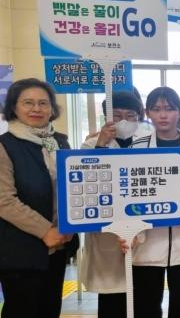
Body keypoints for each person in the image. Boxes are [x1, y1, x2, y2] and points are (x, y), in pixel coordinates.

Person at [127, 87, 180, 318]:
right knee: (146, 305)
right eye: (156, 109)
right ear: (147, 113)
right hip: (147, 243)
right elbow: (128, 193)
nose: (163, 115)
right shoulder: (137, 147)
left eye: (170, 109)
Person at [0, 78, 78, 318]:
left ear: (52, 109)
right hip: (21, 250)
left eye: (43, 103)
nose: (36, 109)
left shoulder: (60, 142)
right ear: (14, 108)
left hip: (59, 244)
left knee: (50, 308)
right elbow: (4, 201)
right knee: (22, 310)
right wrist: (45, 231)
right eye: (28, 103)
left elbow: (73, 186)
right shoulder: (5, 146)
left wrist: (70, 226)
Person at [78, 90, 145, 318]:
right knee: (112, 298)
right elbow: (86, 182)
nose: (124, 121)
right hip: (107, 232)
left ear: (139, 117)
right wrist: (101, 144)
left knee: (144, 294)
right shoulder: (91, 144)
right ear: (106, 117)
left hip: (141, 228)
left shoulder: (146, 142)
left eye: (130, 116)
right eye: (116, 116)